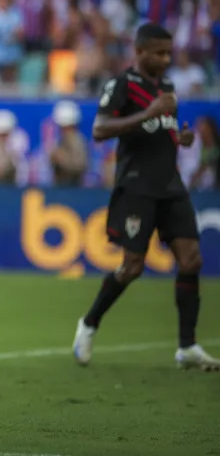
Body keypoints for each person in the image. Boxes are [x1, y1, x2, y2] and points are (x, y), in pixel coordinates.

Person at [73, 23, 219, 371]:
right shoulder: (122, 85)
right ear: (140, 52)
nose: (166, 59)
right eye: (159, 53)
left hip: (171, 184)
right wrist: (149, 114)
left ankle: (187, 346)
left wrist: (179, 139)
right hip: (137, 185)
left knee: (191, 260)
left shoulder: (166, 88)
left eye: (169, 53)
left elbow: (161, 131)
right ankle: (89, 323)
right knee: (132, 266)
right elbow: (99, 129)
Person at [49, 100, 88, 187]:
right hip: (62, 186)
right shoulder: (62, 140)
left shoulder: (77, 141)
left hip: (74, 188)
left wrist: (61, 158)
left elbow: (80, 165)